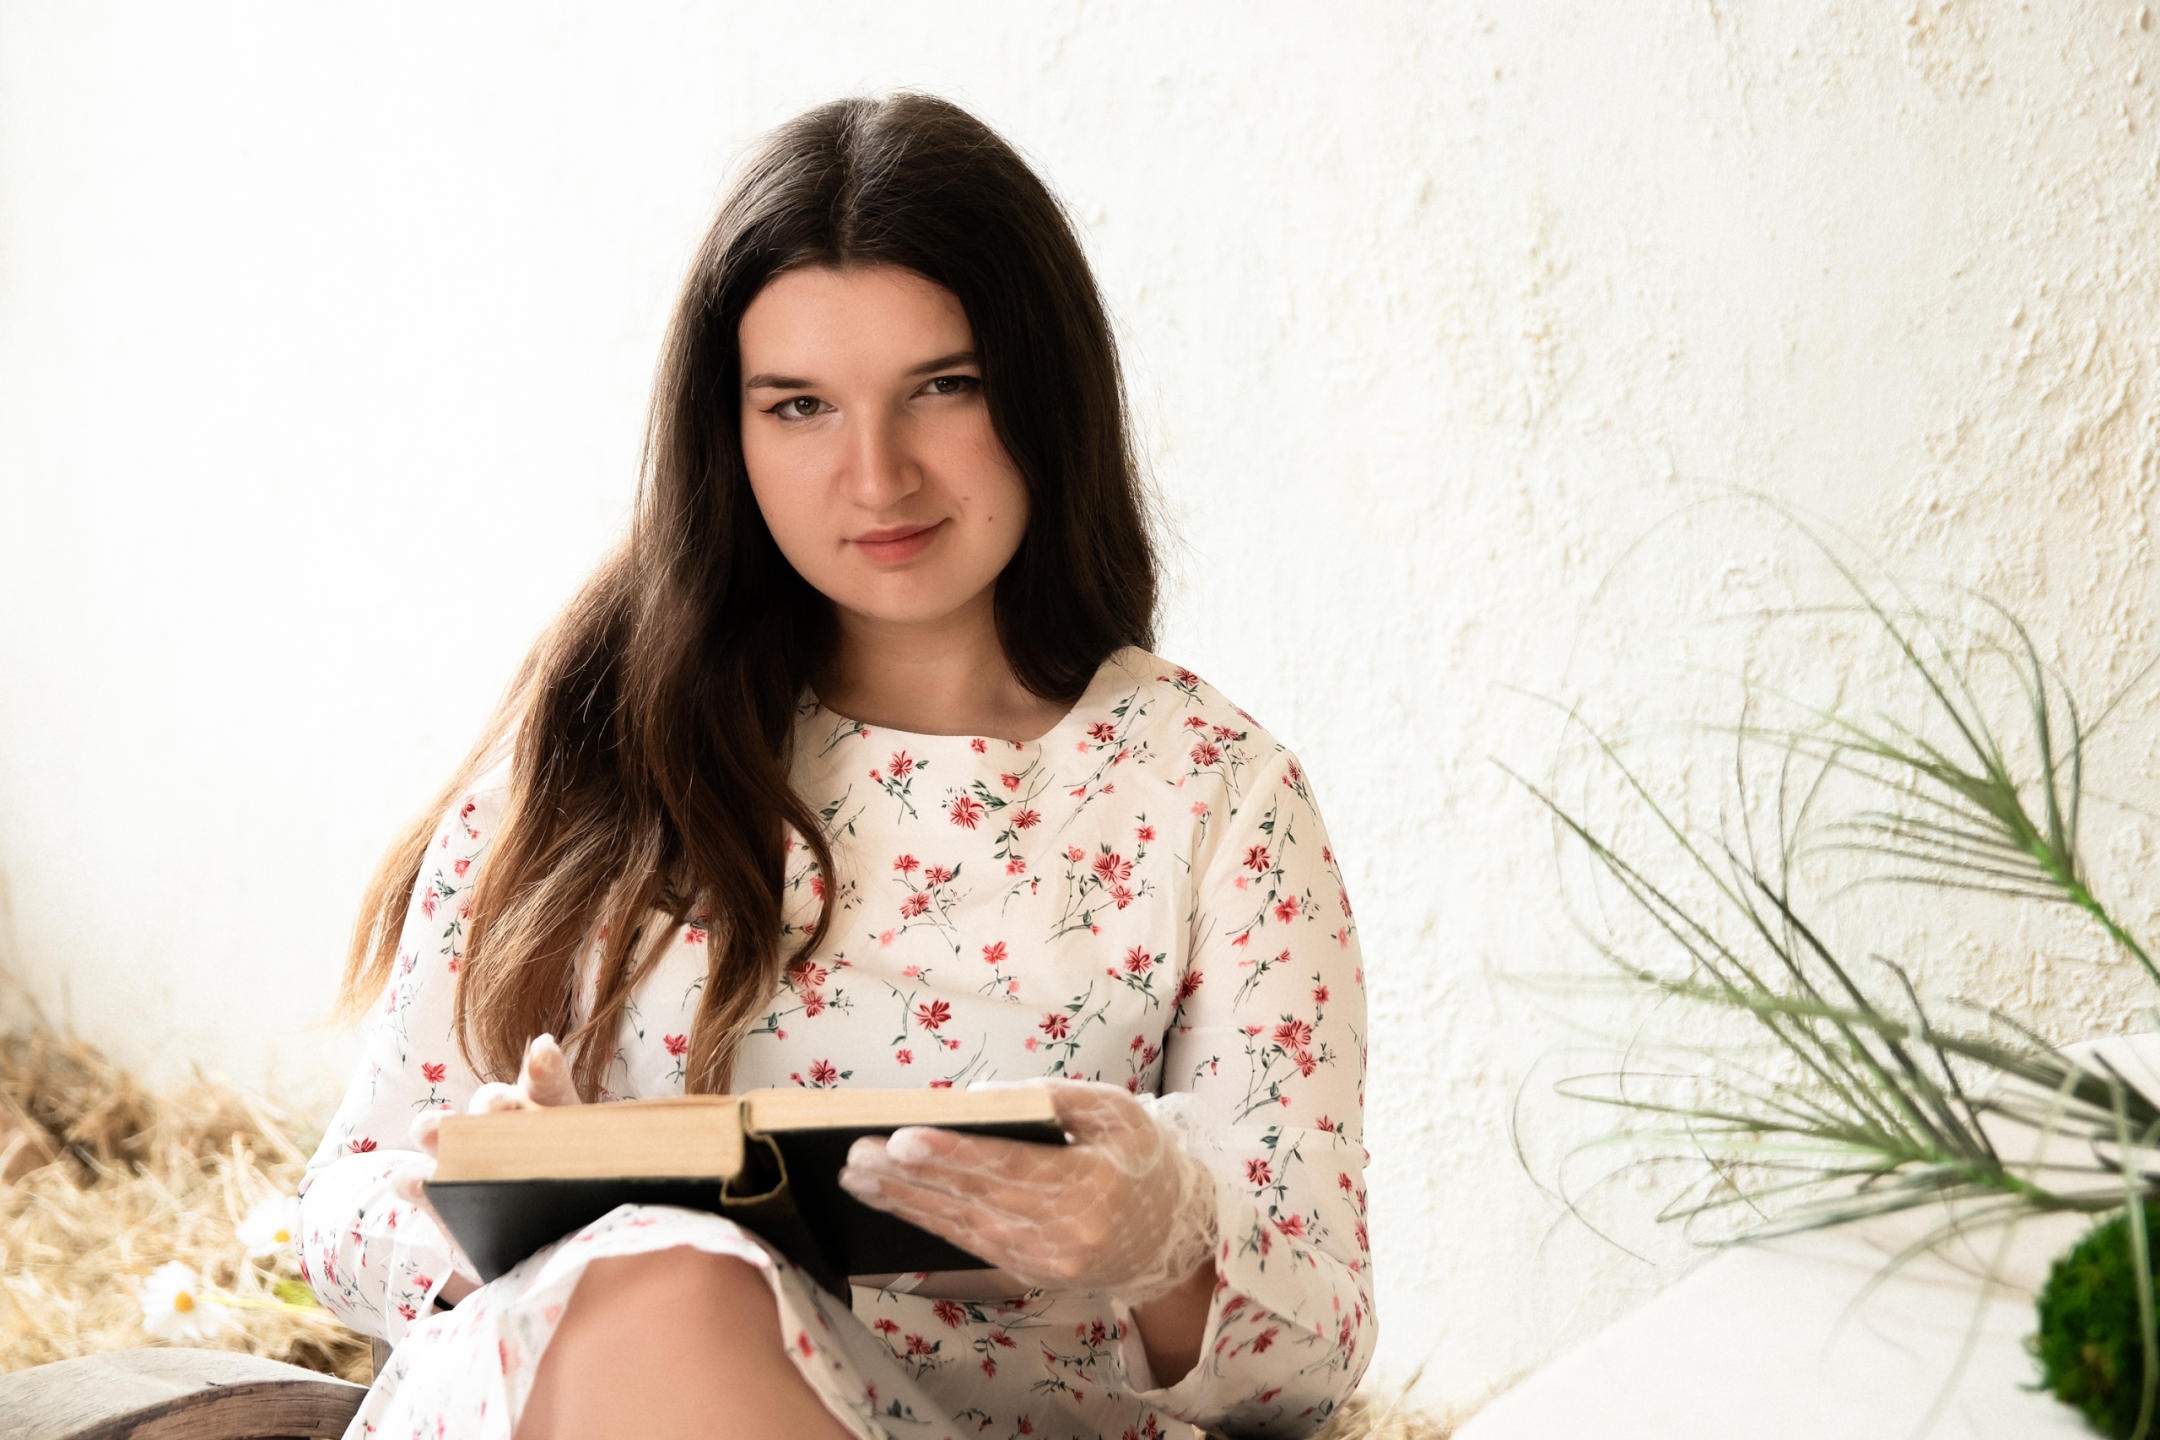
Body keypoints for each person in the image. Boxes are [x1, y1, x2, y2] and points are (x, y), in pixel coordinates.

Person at [295, 90, 1373, 1440]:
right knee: (667, 1286)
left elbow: (1315, 1365)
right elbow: (341, 1213)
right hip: (576, 1399)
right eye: (799, 405)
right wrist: (500, 1206)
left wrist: (1163, 1243)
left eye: (944, 387)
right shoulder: (602, 737)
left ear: (1048, 391)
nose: (876, 476)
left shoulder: (1212, 794)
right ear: (729, 433)